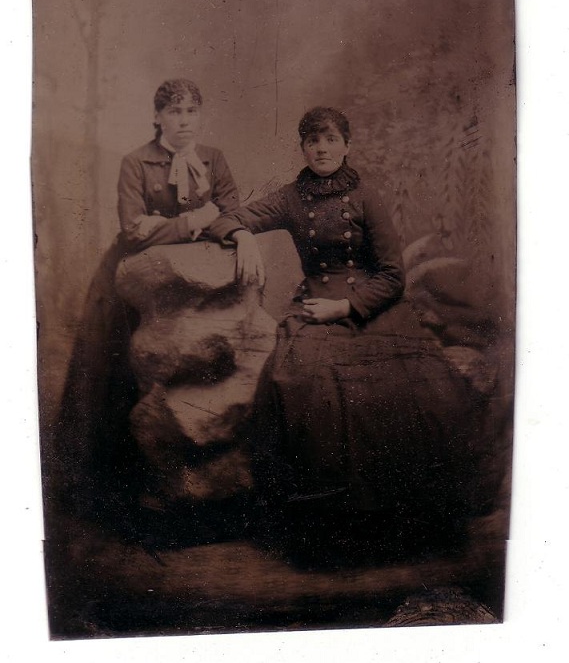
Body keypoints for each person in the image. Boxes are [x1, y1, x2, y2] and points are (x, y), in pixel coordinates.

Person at [210, 107, 483, 566]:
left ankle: (403, 527)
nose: (322, 148)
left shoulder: (366, 197)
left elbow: (394, 275)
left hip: (373, 308)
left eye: (331, 139)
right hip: (315, 306)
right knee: (302, 387)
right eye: (313, 140)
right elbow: (225, 219)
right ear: (302, 148)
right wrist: (243, 236)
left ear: (346, 145)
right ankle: (331, 534)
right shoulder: (291, 198)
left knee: (420, 390)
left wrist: (348, 307)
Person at [55, 79, 240, 521]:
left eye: (192, 112)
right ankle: (125, 491)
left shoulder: (213, 160)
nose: (184, 122)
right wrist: (199, 219)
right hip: (133, 278)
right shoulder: (136, 162)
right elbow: (134, 231)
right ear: (157, 118)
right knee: (120, 373)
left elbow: (233, 212)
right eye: (175, 112)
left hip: (199, 279)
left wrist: (226, 230)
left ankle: (208, 485)